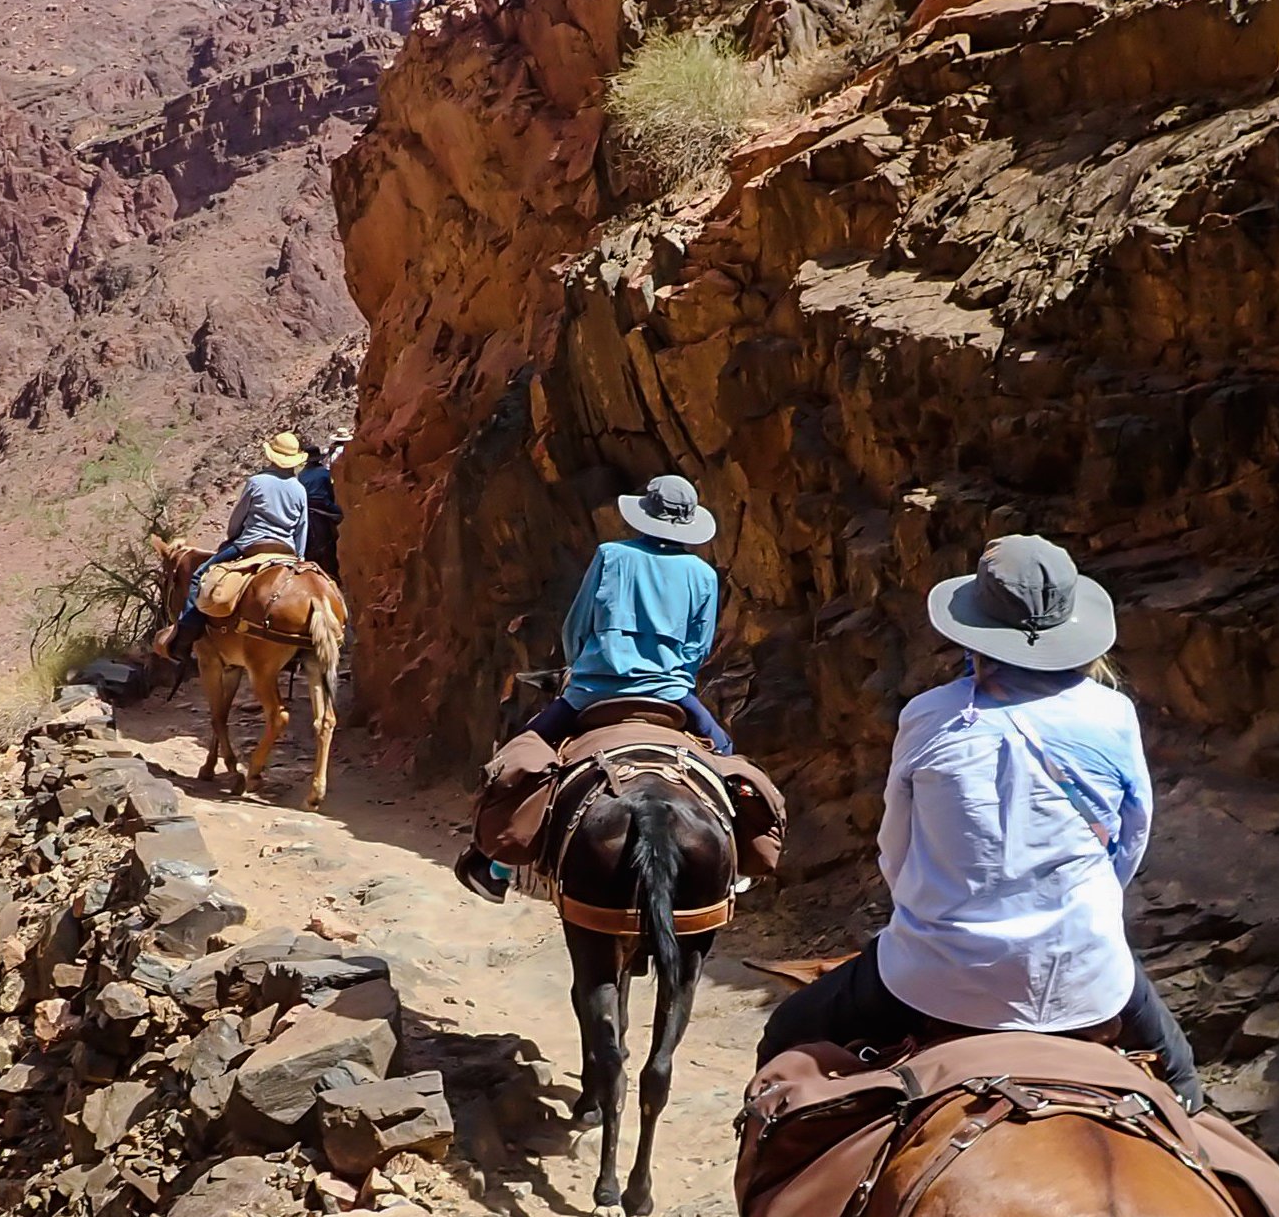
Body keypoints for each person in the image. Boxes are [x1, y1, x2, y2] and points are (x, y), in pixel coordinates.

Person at [754, 534, 1206, 1109]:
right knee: (1183, 1081)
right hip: (1083, 971)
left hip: (937, 978)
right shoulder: (1113, 712)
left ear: (976, 630)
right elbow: (1131, 837)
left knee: (786, 1034)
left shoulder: (929, 715)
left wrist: (939, 907)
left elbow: (895, 848)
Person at [452, 473, 733, 902]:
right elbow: (699, 648)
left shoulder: (611, 555)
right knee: (727, 757)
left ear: (646, 515)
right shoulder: (703, 575)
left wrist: (580, 666)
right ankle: (735, 867)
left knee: (520, 758)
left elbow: (577, 625)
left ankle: (498, 864)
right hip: (670, 694)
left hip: (591, 692)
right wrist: (669, 676)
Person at [156, 431, 312, 670]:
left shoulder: (257, 482)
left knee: (200, 577)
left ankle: (184, 638)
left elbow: (238, 519)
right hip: (286, 549)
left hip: (252, 542)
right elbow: (302, 526)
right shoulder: (299, 488)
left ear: (271, 457)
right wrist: (298, 557)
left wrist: (232, 539)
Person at [296, 436, 344, 583]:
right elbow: (331, 492)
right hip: (323, 505)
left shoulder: (301, 475)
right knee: (342, 515)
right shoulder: (325, 473)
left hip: (306, 508)